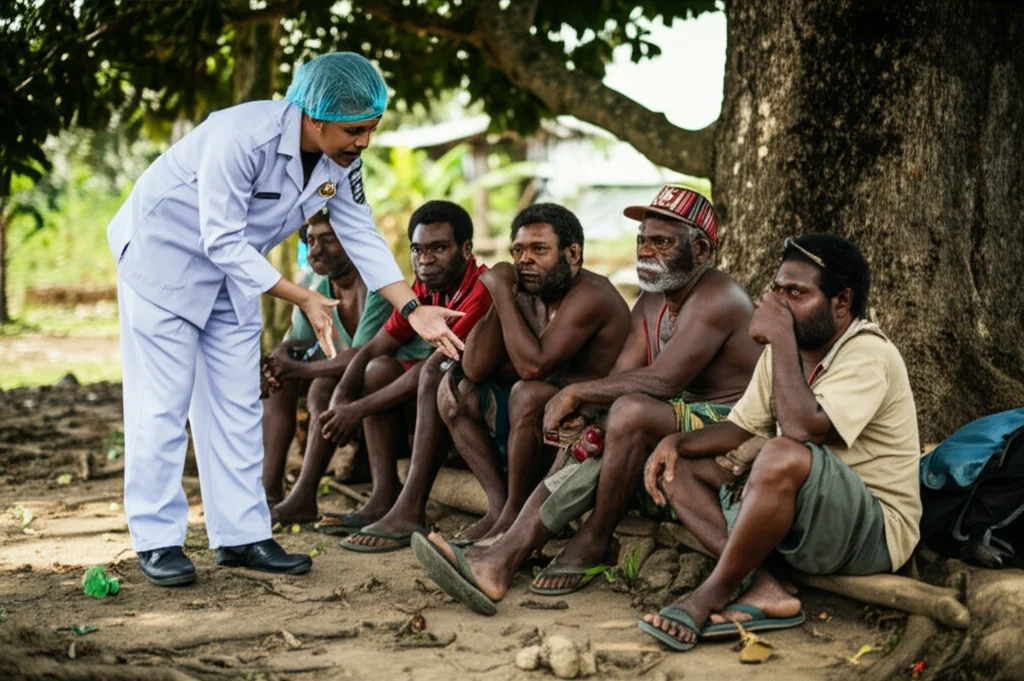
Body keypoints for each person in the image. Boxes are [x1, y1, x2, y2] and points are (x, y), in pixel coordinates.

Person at [108, 52, 463, 587]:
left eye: (371, 129)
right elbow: (219, 237)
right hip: (165, 263)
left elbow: (361, 233)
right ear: (315, 118)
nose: (363, 142)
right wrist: (303, 297)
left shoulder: (339, 160)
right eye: (354, 130)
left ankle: (242, 536)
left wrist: (412, 309)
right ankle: (158, 540)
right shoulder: (240, 137)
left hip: (233, 272)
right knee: (163, 404)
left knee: (235, 404)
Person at [410, 187, 761, 613]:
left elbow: (665, 380)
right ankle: (502, 559)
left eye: (662, 242)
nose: (646, 251)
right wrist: (586, 412)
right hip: (673, 416)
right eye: (642, 241)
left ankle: (589, 538)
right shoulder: (652, 300)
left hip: (732, 421)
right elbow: (621, 377)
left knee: (625, 411)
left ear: (701, 248)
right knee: (597, 426)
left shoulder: (718, 295)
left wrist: (576, 392)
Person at [637, 234, 920, 651]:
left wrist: (782, 339)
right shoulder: (786, 351)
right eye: (778, 290)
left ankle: (713, 591)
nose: (780, 303)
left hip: (873, 532)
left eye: (797, 293)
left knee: (782, 452)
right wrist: (675, 442)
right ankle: (765, 587)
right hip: (808, 519)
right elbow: (741, 429)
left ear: (841, 301)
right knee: (682, 471)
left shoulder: (868, 352)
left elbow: (803, 429)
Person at [346, 203, 632, 551]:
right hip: (543, 418)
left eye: (538, 249)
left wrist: (499, 292)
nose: (525, 259)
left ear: (573, 254)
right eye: (518, 251)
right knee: (451, 385)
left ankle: (513, 513)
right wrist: (502, 297)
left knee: (525, 392)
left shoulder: (591, 295)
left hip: (593, 419)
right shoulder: (529, 291)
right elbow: (476, 366)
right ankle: (496, 507)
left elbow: (533, 368)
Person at [273, 200, 491, 549]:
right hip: (425, 397)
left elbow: (431, 368)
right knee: (375, 368)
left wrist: (356, 409)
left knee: (417, 372)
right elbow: (376, 346)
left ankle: (408, 508)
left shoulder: (480, 290)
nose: (425, 259)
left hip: (475, 406)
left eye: (438, 248)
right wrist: (345, 393)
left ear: (466, 249)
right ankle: (382, 495)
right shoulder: (422, 291)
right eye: (418, 250)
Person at [260, 208, 431, 509]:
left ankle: (307, 493)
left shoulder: (377, 285)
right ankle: (269, 492)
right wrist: (281, 358)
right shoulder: (318, 288)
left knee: (332, 379)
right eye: (311, 241)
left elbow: (362, 356)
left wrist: (299, 367)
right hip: (353, 395)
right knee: (281, 380)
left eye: (328, 240)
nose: (315, 249)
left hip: (401, 400)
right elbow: (302, 345)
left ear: (352, 242)